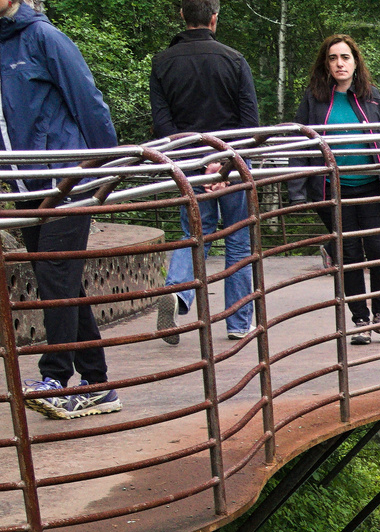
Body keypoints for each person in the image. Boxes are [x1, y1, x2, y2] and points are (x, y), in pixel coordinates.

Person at [2, 0, 120, 419]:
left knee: (55, 271)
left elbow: (88, 101)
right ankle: (98, 382)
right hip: (25, 183)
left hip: (67, 179)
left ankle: (55, 378)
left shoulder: (45, 38)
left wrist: (109, 168)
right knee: (60, 276)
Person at [149, 0, 261, 347]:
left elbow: (163, 125)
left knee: (194, 232)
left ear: (183, 16)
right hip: (233, 162)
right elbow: (250, 124)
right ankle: (237, 321)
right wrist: (223, 165)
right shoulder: (234, 59)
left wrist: (197, 165)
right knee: (239, 239)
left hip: (188, 168)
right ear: (214, 18)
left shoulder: (162, 63)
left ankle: (178, 294)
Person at [288, 34, 380, 345]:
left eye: (345, 57)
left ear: (355, 63)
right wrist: (298, 191)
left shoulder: (371, 96)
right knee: (349, 254)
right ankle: (360, 320)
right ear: (325, 65)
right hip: (333, 191)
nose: (339, 63)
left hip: (372, 186)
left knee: (379, 251)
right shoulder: (314, 99)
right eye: (333, 58)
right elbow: (300, 145)